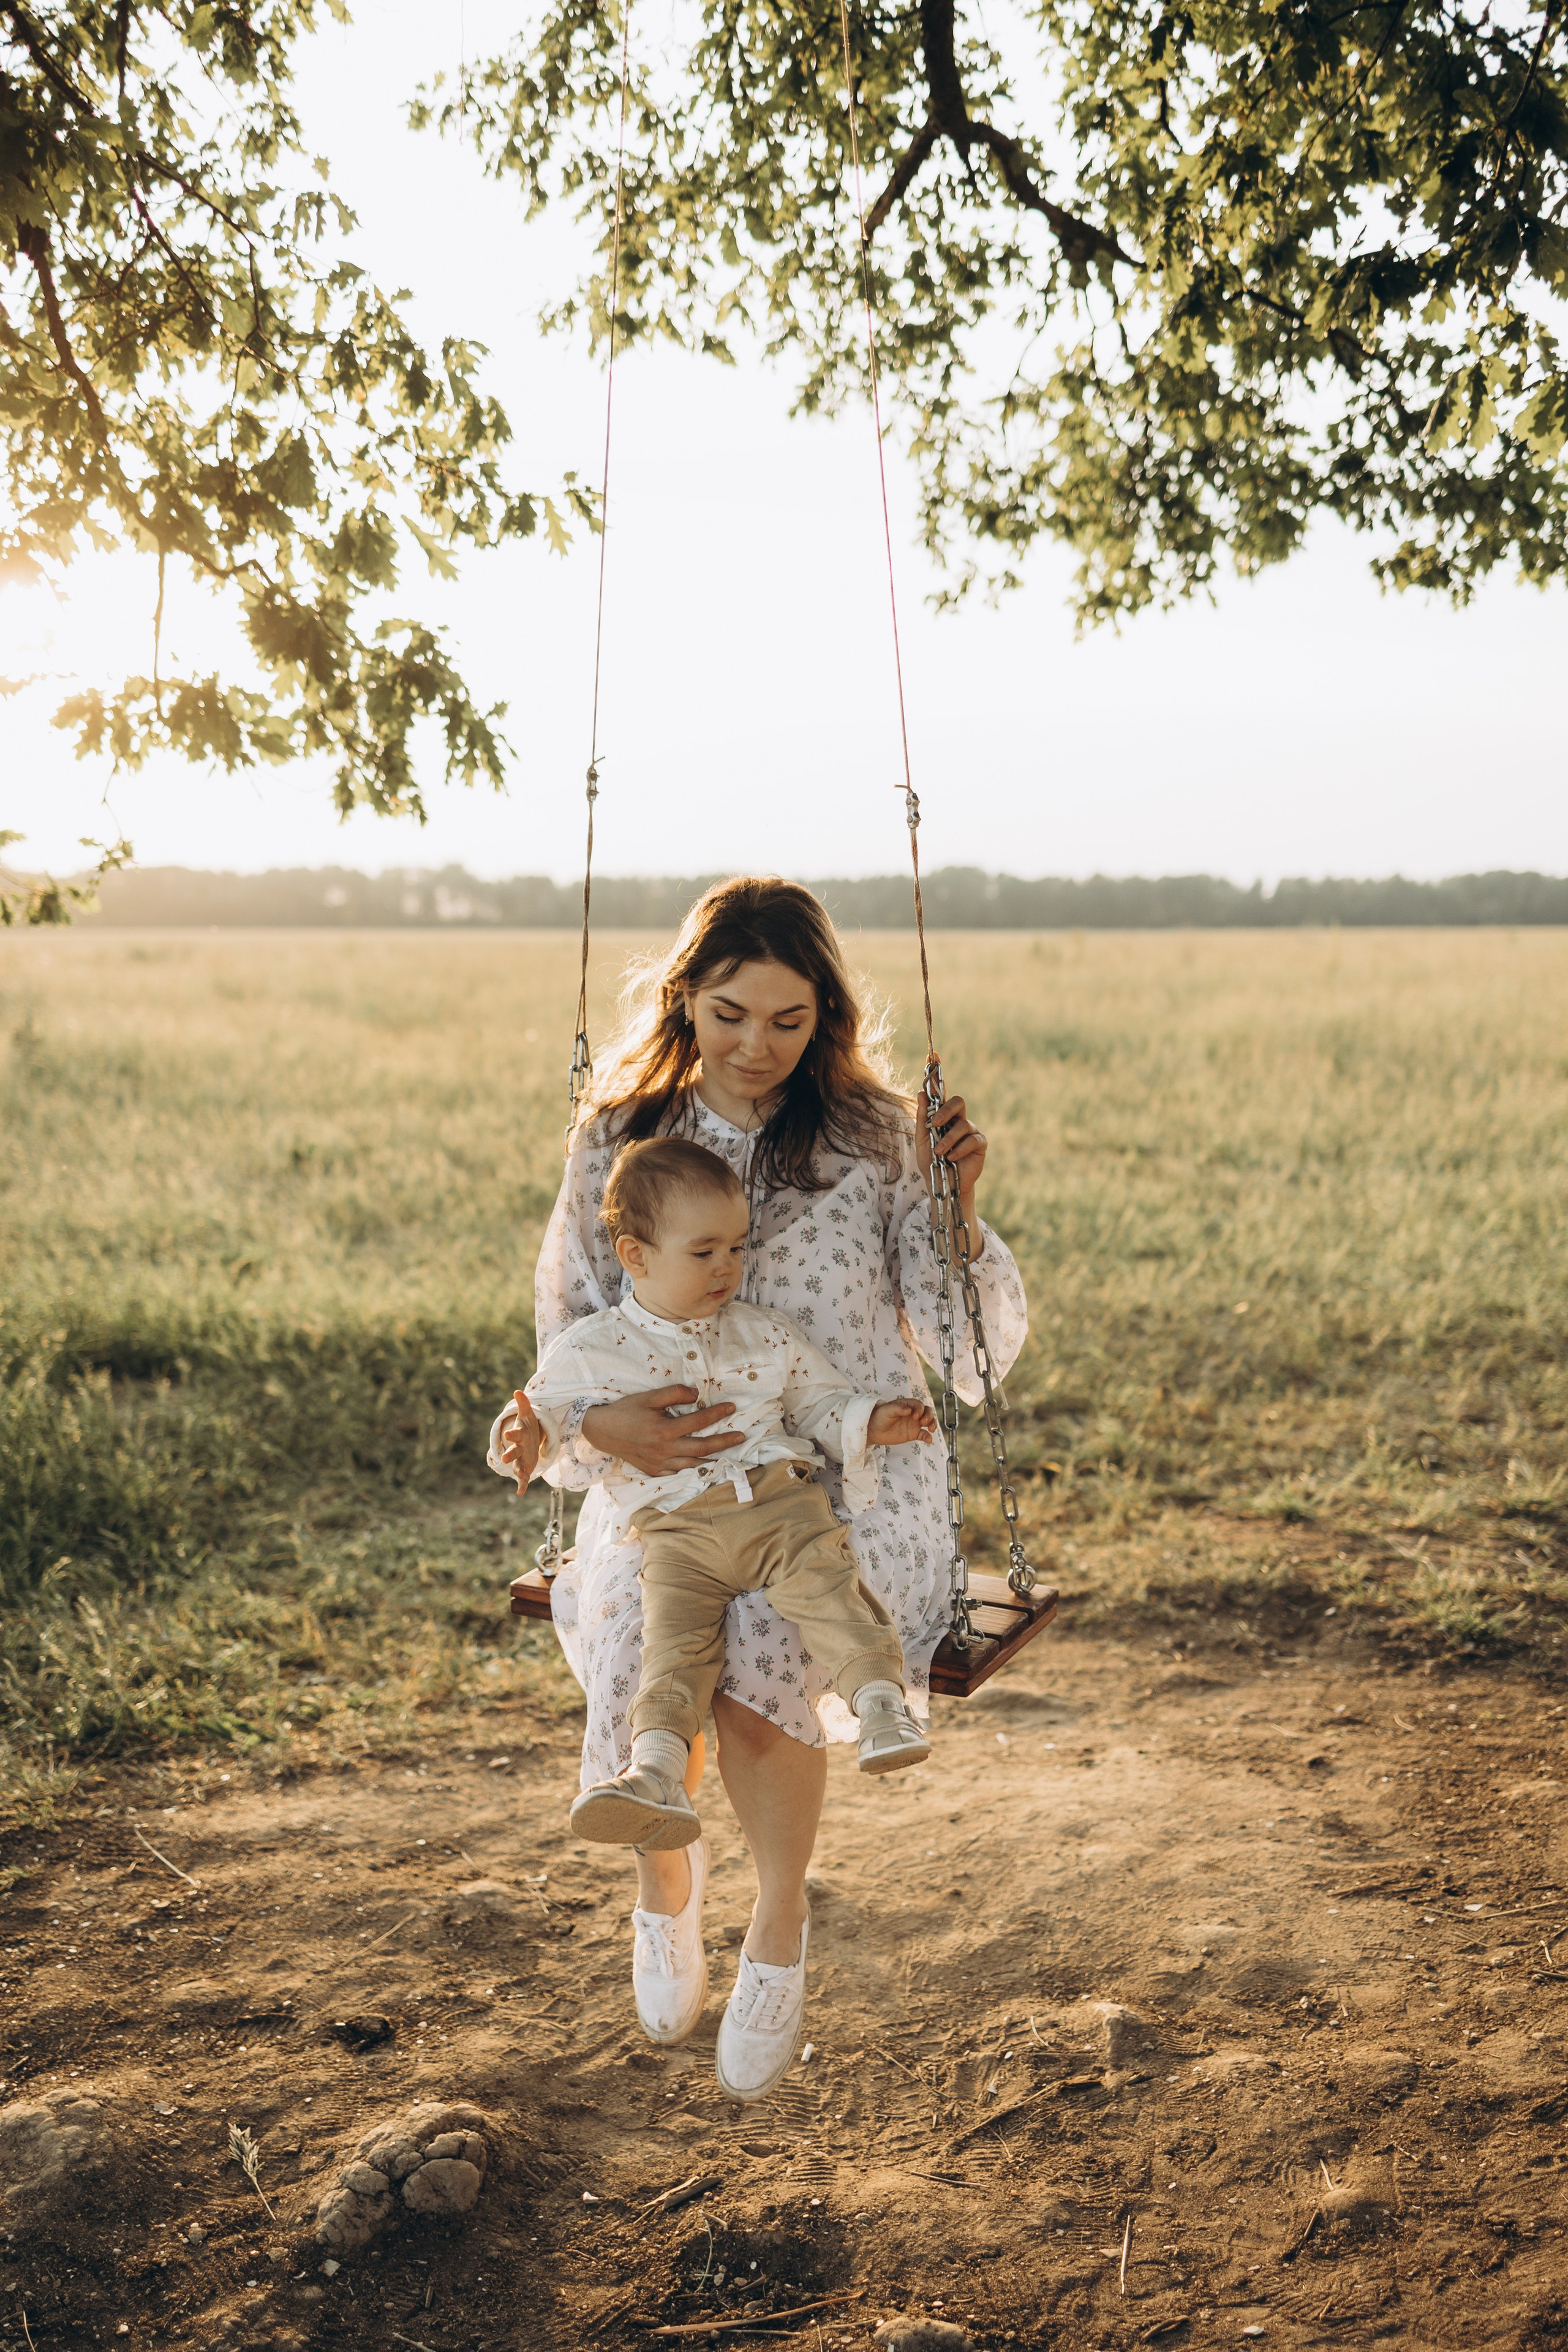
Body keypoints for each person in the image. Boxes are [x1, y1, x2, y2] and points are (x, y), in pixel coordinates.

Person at [491, 877, 1028, 2100]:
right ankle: (663, 1880)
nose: (755, 1048)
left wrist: (961, 1211)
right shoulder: (614, 1139)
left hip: (850, 1473)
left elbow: (968, 1359)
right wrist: (600, 1428)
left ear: (823, 1016)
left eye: (788, 1021)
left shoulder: (878, 1139)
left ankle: (776, 1927)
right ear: (685, 999)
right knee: (644, 1619)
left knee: (771, 1626)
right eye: (730, 1014)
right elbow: (565, 1341)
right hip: (668, 1477)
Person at [499, 1136, 939, 1877]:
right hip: (676, 1534)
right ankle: (656, 1771)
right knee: (672, 1647)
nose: (728, 1268)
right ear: (635, 1257)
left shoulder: (765, 1334)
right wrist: (518, 1439)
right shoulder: (592, 1348)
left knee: (829, 1591)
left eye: (736, 1247)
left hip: (778, 1509)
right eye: (703, 1253)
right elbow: (540, 1416)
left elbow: (820, 1403)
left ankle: (880, 1709)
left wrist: (870, 1420)